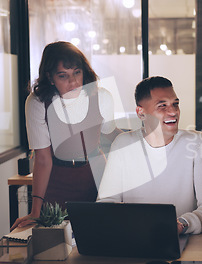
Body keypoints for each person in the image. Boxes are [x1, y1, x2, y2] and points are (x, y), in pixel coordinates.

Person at [11, 41, 121, 230]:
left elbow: (111, 135)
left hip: (94, 176)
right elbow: (43, 159)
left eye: (77, 73)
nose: (73, 82)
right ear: (50, 77)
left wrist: (145, 137)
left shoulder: (101, 96)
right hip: (55, 181)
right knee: (54, 247)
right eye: (63, 76)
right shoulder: (38, 103)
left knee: (97, 239)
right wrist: (36, 210)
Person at [97, 76, 202, 235]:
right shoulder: (122, 144)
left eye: (175, 104)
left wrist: (182, 224)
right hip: (134, 238)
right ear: (141, 112)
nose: (173, 111)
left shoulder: (198, 143)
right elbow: (106, 204)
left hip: (186, 241)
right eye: (162, 106)